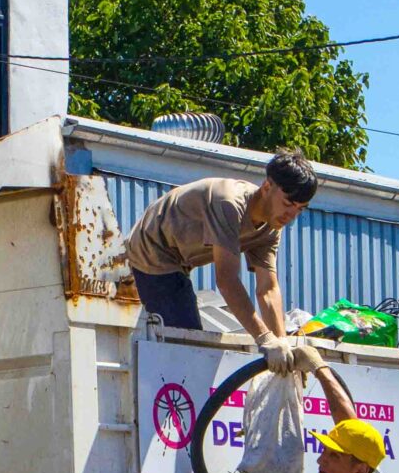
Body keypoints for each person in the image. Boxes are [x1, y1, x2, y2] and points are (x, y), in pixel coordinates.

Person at [123, 151, 316, 354]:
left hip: (179, 260)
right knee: (187, 346)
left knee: (190, 340)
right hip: (151, 247)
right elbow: (226, 280)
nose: (292, 215)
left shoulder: (272, 226)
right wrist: (265, 338)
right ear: (267, 186)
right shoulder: (229, 204)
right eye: (288, 204)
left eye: (300, 209)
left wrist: (282, 344)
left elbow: (267, 289)